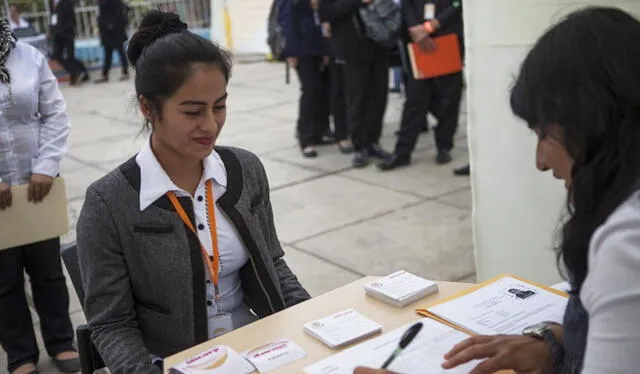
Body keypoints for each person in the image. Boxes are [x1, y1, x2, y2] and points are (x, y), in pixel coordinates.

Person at [355, 6, 640, 374]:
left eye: (544, 134)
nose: (540, 162)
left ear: (593, 124)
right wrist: (556, 341)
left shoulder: (627, 242)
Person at [76, 11, 311, 373]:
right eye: (192, 112)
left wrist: (314, 324)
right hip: (171, 361)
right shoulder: (109, 202)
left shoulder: (244, 170)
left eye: (219, 106)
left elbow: (274, 264)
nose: (210, 124)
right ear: (148, 108)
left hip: (257, 348)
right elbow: (111, 324)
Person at [0, 20, 80, 374]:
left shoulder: (29, 57)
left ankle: (61, 341)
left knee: (47, 271)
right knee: (3, 280)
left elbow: (54, 114)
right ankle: (20, 355)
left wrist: (46, 166)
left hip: (37, 188)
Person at [378, 0, 463, 171]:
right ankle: (402, 152)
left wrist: (431, 26)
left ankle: (444, 146)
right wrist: (417, 30)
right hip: (417, 40)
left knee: (449, 98)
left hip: (447, 37)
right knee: (415, 99)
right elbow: (407, 6)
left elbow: (458, 4)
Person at [318, 0, 392, 168]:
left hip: (378, 44)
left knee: (378, 97)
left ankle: (373, 141)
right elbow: (325, 13)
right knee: (356, 99)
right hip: (351, 49)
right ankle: (360, 145)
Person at [278, 0, 329, 157]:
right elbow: (286, 21)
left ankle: (319, 132)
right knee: (310, 90)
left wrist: (325, 49)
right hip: (302, 50)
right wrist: (292, 52)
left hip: (317, 47)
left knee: (321, 90)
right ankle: (305, 137)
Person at [49, 0, 89, 85]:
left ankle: (79, 73)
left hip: (67, 34)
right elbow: (53, 18)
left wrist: (64, 30)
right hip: (57, 35)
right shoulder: (52, 3)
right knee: (56, 55)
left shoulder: (66, 2)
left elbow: (71, 20)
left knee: (70, 56)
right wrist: (51, 31)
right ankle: (75, 71)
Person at [95, 0, 130, 83]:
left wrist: (112, 24)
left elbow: (118, 12)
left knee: (120, 51)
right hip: (107, 31)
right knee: (108, 52)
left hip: (115, 30)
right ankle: (105, 74)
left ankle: (124, 71)